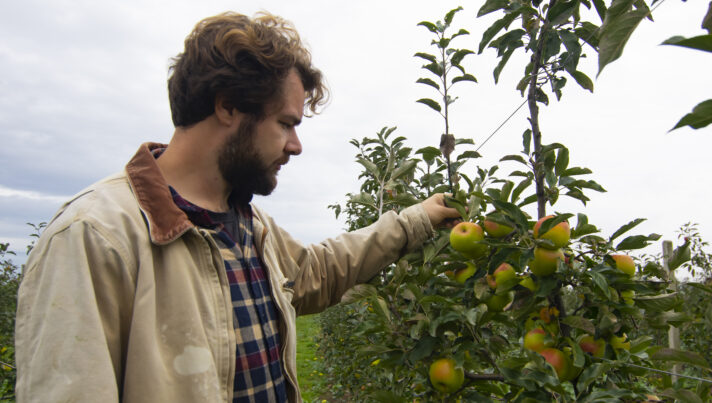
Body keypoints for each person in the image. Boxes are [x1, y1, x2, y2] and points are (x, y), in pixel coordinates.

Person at [14, 11, 460, 403]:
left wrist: (416, 220)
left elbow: (317, 271)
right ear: (227, 106)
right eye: (286, 123)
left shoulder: (249, 225)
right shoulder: (95, 235)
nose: (296, 145)